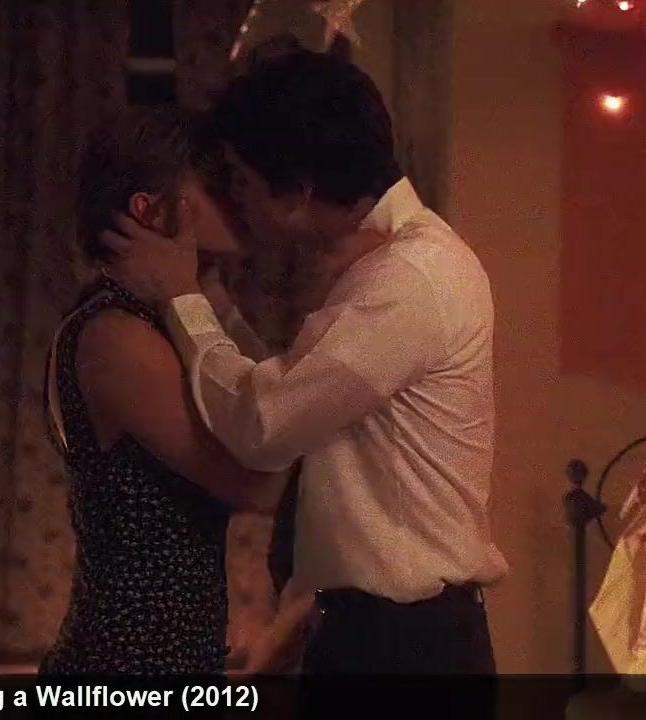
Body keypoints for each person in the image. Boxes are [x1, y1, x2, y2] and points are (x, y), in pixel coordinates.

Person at [101, 51, 509, 674]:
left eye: (241, 180)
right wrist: (209, 303)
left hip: (404, 649)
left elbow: (265, 425)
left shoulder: (409, 278)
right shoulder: (393, 265)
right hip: (376, 634)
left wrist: (182, 298)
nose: (234, 200)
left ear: (300, 191)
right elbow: (296, 390)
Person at [40, 106, 283, 675]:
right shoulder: (117, 334)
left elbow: (272, 412)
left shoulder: (150, 321)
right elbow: (259, 483)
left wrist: (209, 302)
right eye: (213, 184)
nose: (237, 200)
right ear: (147, 210)